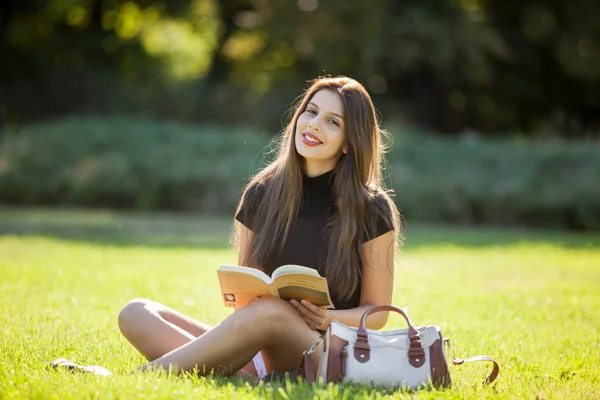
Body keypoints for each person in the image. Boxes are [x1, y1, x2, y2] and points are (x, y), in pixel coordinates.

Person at [52, 76, 401, 381]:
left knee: (269, 312)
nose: (313, 125)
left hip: (326, 352)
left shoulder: (371, 208)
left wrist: (326, 318)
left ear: (350, 142)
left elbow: (378, 315)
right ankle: (245, 378)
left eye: (332, 121)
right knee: (137, 313)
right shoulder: (262, 193)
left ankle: (128, 382)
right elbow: (244, 297)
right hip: (260, 347)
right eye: (310, 112)